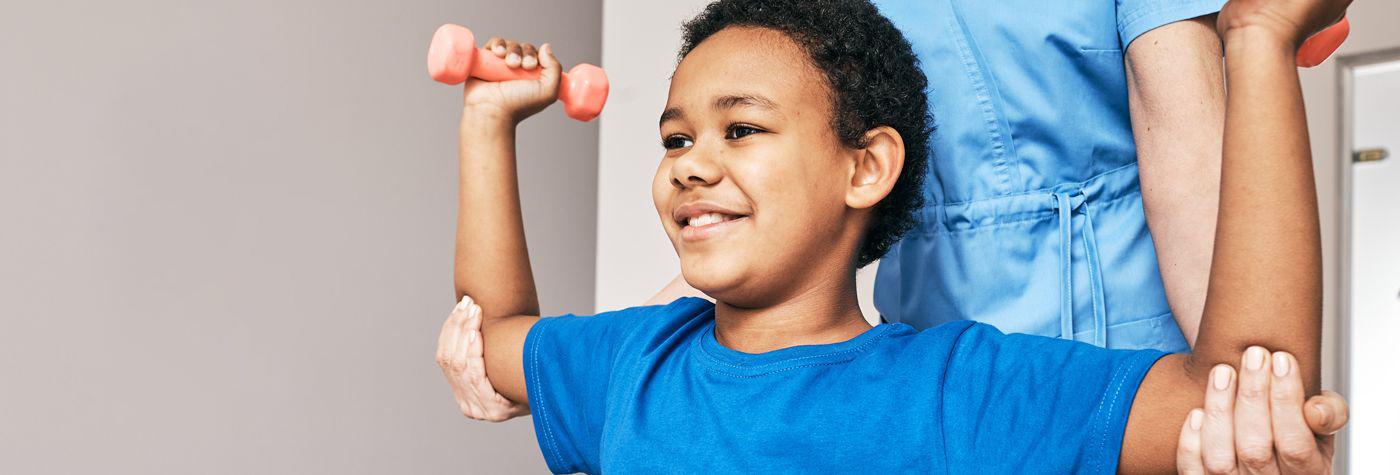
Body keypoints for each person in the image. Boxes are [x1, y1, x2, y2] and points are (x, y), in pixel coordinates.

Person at [436, 0, 1347, 471]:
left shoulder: (956, 392)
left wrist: (1256, 41)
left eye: (740, 129)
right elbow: (498, 329)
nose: (690, 163)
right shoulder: (633, 363)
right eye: (675, 137)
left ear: (866, 167)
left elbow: (1242, 379)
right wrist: (490, 121)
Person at [646, 0, 1232, 353]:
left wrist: (1247, 377)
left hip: (1122, 337)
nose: (690, 164)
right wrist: (627, 361)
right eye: (676, 142)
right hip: (918, 352)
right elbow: (783, 203)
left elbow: (1193, 169)